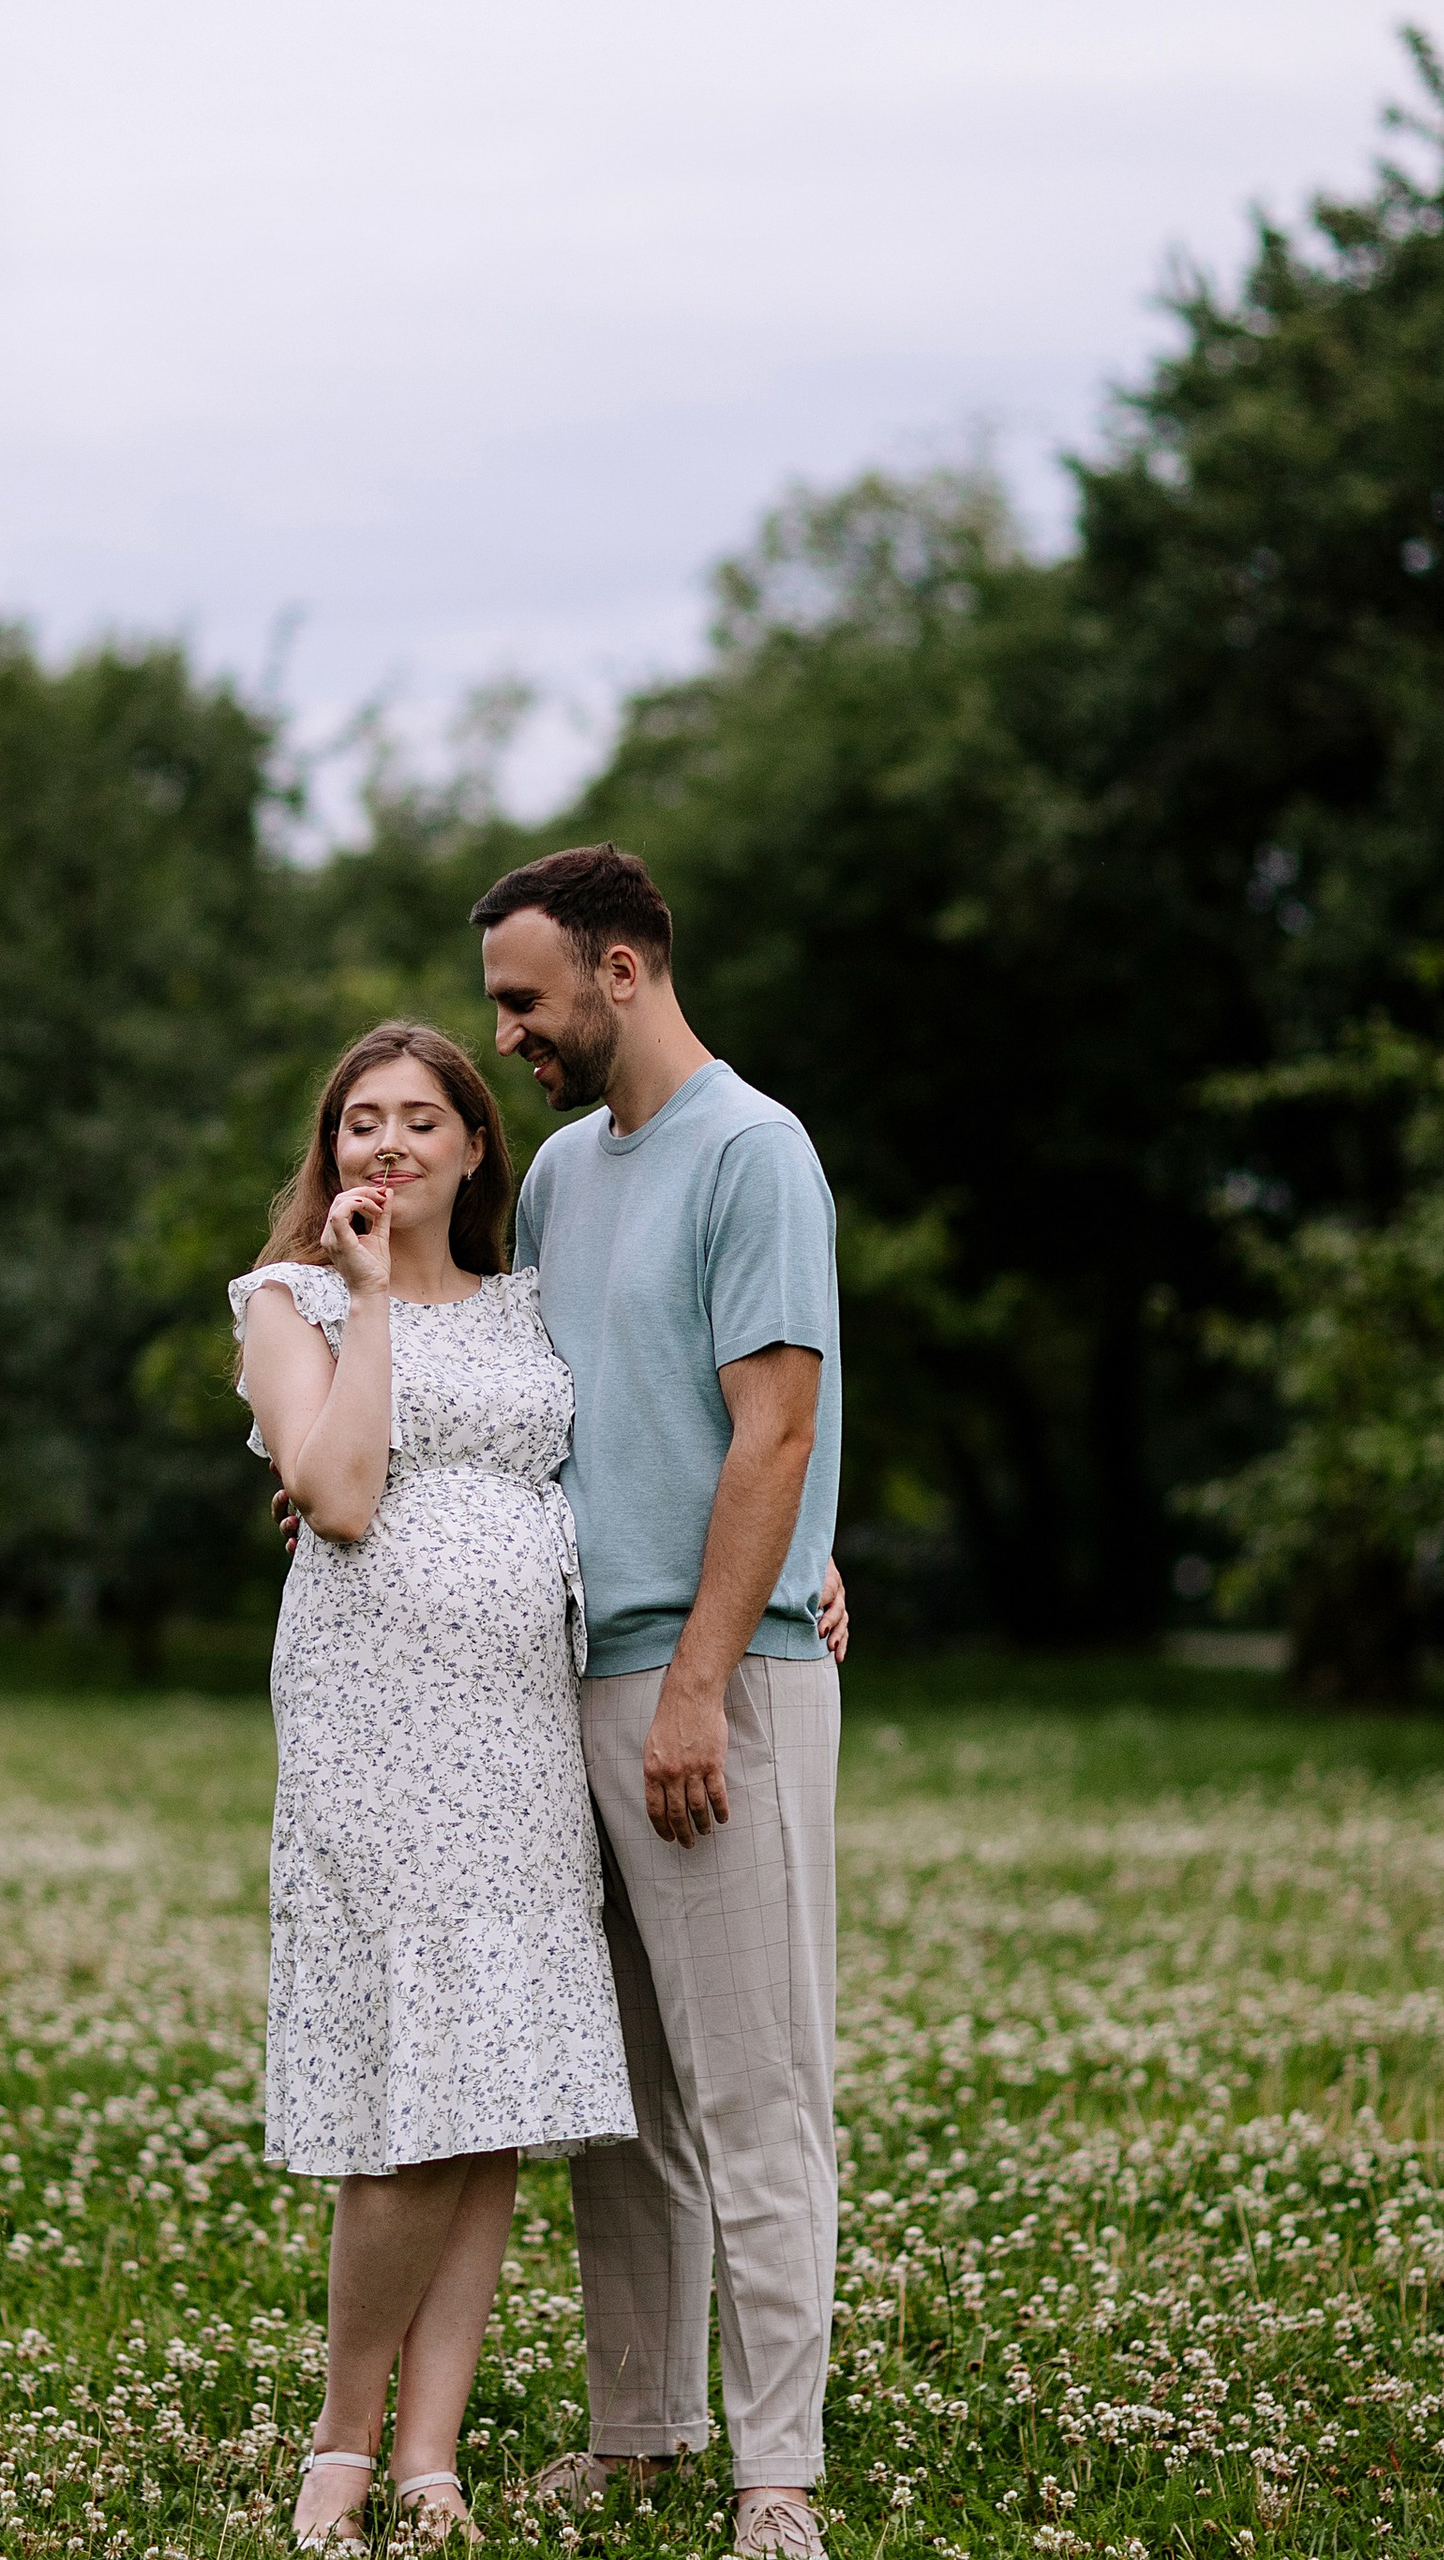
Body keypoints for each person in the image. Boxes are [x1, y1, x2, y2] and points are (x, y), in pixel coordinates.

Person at [471, 844, 846, 2560]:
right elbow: (546, 1403)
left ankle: (780, 2478)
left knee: (755, 2089)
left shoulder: (755, 1154)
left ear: (623, 974)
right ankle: (645, 2438)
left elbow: (776, 1426)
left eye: (528, 1002)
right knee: (614, 2098)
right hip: (570, 1682)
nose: (511, 1038)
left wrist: (711, 1668)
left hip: (712, 1689)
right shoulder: (557, 1174)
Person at [231, 1020, 639, 2553]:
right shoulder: (291, 1303)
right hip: (379, 1725)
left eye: (419, 1123)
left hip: (520, 1734)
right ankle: (341, 2443)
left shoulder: (535, 1307)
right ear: (330, 1156)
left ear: (476, 1146)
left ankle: (432, 2457)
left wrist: (806, 1567)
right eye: (358, 1125)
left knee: (491, 2100)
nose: (386, 1147)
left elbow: (639, 1459)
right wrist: (376, 1297)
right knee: (413, 2092)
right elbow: (336, 1495)